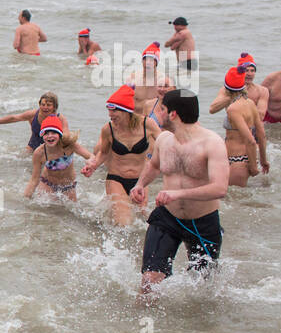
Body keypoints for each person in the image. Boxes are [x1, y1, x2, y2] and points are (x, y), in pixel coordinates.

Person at [130, 90, 229, 300]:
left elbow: (220, 188)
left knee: (202, 290)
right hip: (167, 217)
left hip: (203, 222)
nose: (158, 113)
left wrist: (177, 193)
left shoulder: (212, 143)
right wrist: (140, 184)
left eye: (162, 109)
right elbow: (154, 165)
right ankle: (143, 325)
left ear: (173, 114)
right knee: (150, 281)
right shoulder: (164, 139)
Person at [80, 85, 162, 226]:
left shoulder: (146, 124)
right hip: (116, 179)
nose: (110, 115)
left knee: (143, 222)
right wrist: (93, 165)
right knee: (123, 223)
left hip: (140, 180)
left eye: (114, 110)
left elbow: (165, 143)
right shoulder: (108, 129)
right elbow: (104, 153)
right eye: (109, 110)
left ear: (126, 111)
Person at [206, 67, 266, 188]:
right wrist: (263, 161)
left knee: (232, 202)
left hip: (238, 160)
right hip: (243, 159)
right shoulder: (250, 103)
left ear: (226, 88)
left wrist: (254, 167)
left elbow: (250, 140)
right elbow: (261, 134)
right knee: (238, 203)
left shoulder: (233, 109)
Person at [24, 117, 91, 202]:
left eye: (53, 133)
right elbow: (34, 179)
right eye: (46, 133)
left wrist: (89, 165)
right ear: (42, 135)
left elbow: (91, 157)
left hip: (68, 186)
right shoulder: (39, 153)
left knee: (70, 213)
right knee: (44, 211)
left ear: (59, 134)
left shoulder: (69, 145)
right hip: (47, 183)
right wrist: (25, 199)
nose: (50, 136)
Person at [0, 92, 65, 155]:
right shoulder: (33, 114)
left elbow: (67, 136)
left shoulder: (59, 118)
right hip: (33, 146)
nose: (45, 107)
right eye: (43, 104)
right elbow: (13, 118)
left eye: (48, 105)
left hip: (53, 149)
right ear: (39, 104)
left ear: (54, 107)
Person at [131, 42, 175, 116]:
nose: (148, 62)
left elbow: (172, 103)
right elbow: (124, 100)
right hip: (135, 120)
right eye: (145, 59)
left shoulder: (163, 81)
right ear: (142, 61)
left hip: (154, 121)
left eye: (151, 60)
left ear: (156, 62)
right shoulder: (133, 78)